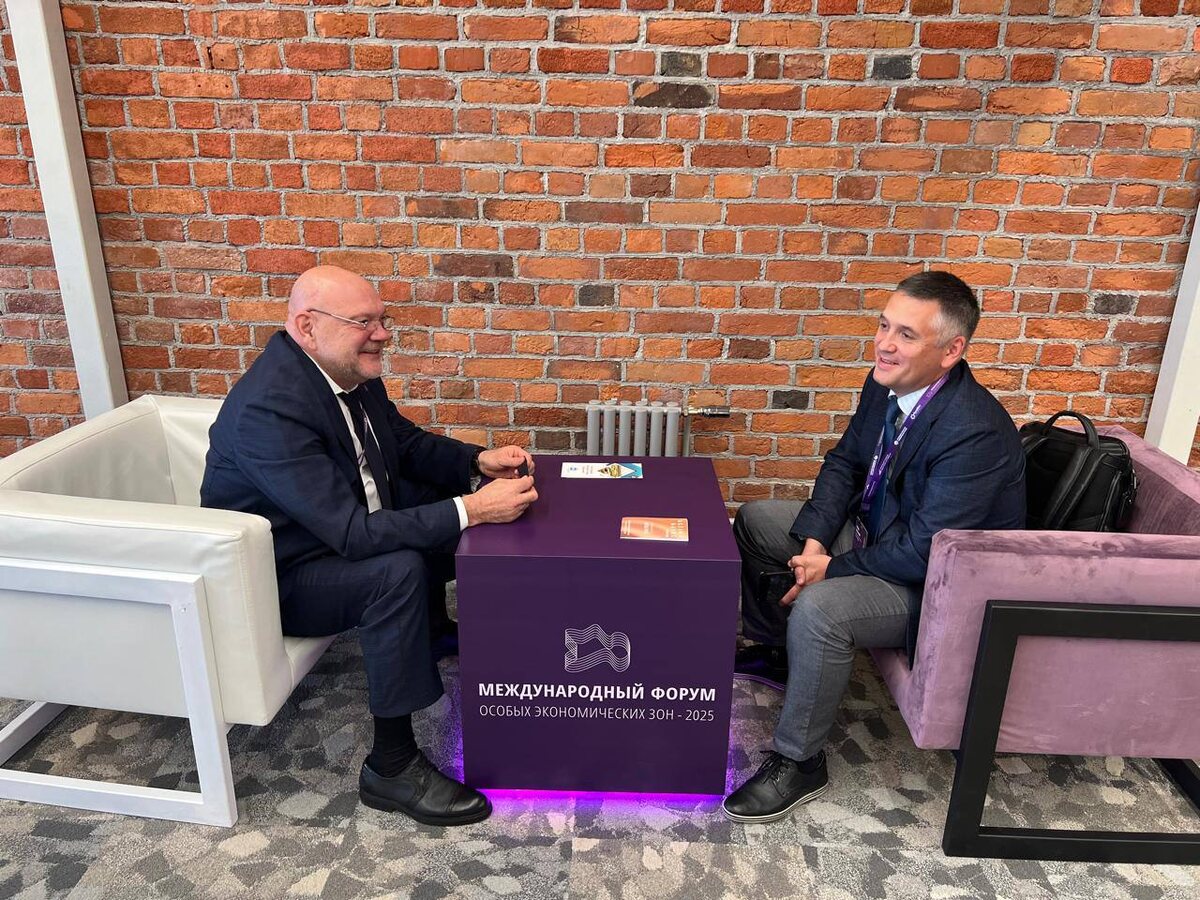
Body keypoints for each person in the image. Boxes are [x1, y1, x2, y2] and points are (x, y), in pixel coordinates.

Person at [201, 265, 538, 827]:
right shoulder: (269, 409)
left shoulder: (345, 372)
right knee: (396, 569)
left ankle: (429, 632)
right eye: (364, 322)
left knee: (437, 500)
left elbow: (401, 443)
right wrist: (474, 508)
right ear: (307, 326)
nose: (382, 334)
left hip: (330, 537)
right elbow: (355, 534)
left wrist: (476, 461)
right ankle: (391, 768)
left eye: (382, 320)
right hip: (280, 580)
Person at [723, 271, 1025, 823]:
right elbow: (845, 462)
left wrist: (830, 569)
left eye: (906, 335)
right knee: (759, 521)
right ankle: (779, 650)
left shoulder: (973, 431)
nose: (885, 344)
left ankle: (800, 762)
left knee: (822, 608)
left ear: (951, 350)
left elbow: (924, 553)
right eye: (884, 326)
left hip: (936, 586)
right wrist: (815, 542)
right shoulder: (887, 384)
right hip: (882, 535)